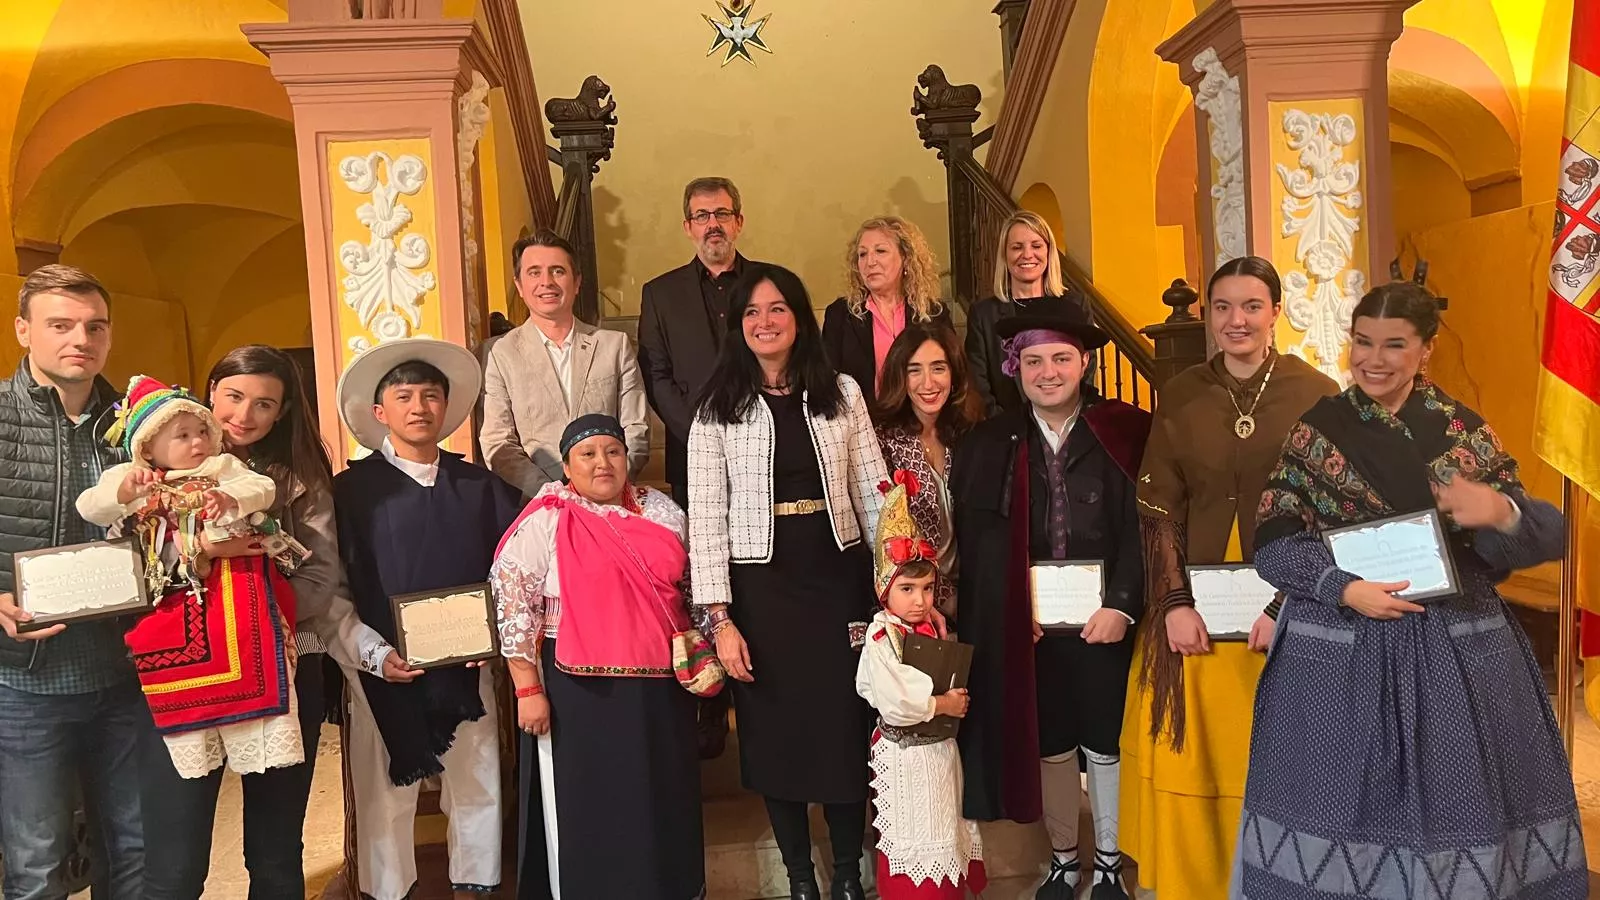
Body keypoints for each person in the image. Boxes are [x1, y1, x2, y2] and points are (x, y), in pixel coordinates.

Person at [1233, 282, 1587, 898]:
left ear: (1427, 349)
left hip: (1458, 655)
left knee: (1459, 808)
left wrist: (1500, 514)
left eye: (1394, 345)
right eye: (1362, 342)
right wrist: (1344, 589)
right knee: (1338, 806)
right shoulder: (1317, 431)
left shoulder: (1462, 434)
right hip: (1340, 656)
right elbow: (1274, 546)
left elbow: (1539, 539)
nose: (1373, 359)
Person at [129, 345, 399, 899]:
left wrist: (259, 618)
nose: (244, 415)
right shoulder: (155, 470)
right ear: (210, 393)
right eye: (234, 396)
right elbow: (130, 570)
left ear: (282, 412)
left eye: (264, 404)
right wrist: (199, 554)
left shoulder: (300, 476)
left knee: (276, 854)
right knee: (174, 861)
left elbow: (322, 576)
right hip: (182, 664)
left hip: (281, 662)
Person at [1117, 257, 1337, 900]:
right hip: (1196, 614)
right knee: (1198, 753)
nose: (1235, 320)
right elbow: (1158, 506)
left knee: (1275, 754)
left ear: (1275, 312)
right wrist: (1174, 603)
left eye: (1250, 306)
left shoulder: (1316, 392)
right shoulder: (1182, 392)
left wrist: (1287, 605)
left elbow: (1327, 509)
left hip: (1287, 609)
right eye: (1222, 308)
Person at [688, 263, 890, 900]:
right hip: (760, 589)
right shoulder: (716, 407)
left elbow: (875, 491)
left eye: (777, 309)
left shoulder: (842, 393)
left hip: (837, 578)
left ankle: (849, 876)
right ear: (737, 326)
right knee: (775, 737)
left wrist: (898, 576)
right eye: (751, 312)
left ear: (799, 319)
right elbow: (707, 522)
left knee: (841, 727)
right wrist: (719, 621)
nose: (765, 322)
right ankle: (801, 878)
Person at [950, 297, 1149, 900]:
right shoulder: (991, 442)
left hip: (1104, 621)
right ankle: (1066, 859)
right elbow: (982, 546)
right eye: (1033, 361)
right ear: (1015, 367)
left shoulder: (1125, 432)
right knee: (1052, 740)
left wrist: (1122, 603)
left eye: (1061, 358)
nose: (1048, 372)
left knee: (1107, 738)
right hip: (1033, 626)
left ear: (1083, 362)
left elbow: (1149, 528)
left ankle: (1111, 860)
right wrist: (1012, 611)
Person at [333, 338, 523, 900]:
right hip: (382, 666)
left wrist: (492, 635)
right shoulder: (349, 494)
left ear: (447, 408)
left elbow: (513, 573)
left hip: (468, 665)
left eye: (431, 396)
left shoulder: (483, 488)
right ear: (379, 411)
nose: (419, 407)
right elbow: (331, 587)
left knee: (477, 781)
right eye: (405, 396)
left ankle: (477, 886)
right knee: (384, 793)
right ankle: (389, 892)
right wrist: (371, 652)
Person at [492, 413, 706, 900]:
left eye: (612, 451)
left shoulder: (663, 513)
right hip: (579, 692)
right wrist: (527, 688)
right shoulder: (546, 519)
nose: (602, 462)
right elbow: (512, 603)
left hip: (661, 687)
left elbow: (692, 589)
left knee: (659, 798)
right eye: (587, 454)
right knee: (592, 804)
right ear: (567, 467)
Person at [0, 264, 149, 900]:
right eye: (60, 325)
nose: (79, 339)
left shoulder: (136, 425)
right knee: (36, 861)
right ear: (23, 330)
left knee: (135, 850)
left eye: (95, 326)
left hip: (125, 672)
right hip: (24, 680)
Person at [76, 375, 302, 785]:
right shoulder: (133, 477)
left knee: (254, 655)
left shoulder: (222, 467)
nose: (198, 442)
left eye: (203, 431)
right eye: (183, 435)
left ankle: (257, 734)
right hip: (172, 601)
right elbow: (90, 507)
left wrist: (232, 499)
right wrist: (126, 492)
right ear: (147, 447)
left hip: (238, 598)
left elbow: (262, 487)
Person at [636, 176, 755, 759]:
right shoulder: (659, 294)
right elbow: (656, 375)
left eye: (723, 214)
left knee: (757, 576)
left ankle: (756, 694)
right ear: (687, 226)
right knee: (701, 578)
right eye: (701, 215)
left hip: (763, 457)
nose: (712, 224)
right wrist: (699, 435)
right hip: (692, 456)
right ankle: (709, 701)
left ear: (739, 221)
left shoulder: (766, 285)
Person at [855, 471, 986, 900]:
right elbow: (896, 701)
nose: (919, 601)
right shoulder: (882, 637)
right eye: (907, 589)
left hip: (940, 755)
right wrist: (942, 704)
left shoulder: (932, 627)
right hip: (906, 757)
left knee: (945, 832)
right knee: (915, 854)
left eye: (927, 589)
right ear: (884, 590)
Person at [481, 229, 649, 498]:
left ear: (577, 281)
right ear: (520, 286)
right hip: (538, 505)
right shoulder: (500, 354)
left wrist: (609, 485)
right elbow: (498, 442)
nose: (546, 282)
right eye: (534, 272)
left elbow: (636, 428)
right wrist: (553, 494)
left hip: (611, 502)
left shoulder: (614, 346)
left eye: (558, 271)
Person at [872, 322, 978, 624]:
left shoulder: (970, 435)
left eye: (938, 368)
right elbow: (885, 539)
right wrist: (941, 598)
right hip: (913, 606)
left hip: (972, 593)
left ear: (954, 374)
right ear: (900, 377)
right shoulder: (882, 440)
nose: (927, 382)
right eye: (914, 369)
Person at [965, 210, 1090, 417]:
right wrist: (1012, 430)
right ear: (1005, 256)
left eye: (1036, 245)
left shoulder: (1075, 305)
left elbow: (1086, 369)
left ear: (1049, 252)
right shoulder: (983, 315)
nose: (1027, 254)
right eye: (1017, 247)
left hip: (1067, 425)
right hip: (1006, 433)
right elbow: (978, 386)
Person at [822, 216, 953, 398]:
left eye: (880, 251)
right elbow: (828, 382)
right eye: (862, 254)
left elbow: (951, 373)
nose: (870, 262)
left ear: (905, 259)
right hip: (863, 421)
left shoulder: (933, 313)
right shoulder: (840, 314)